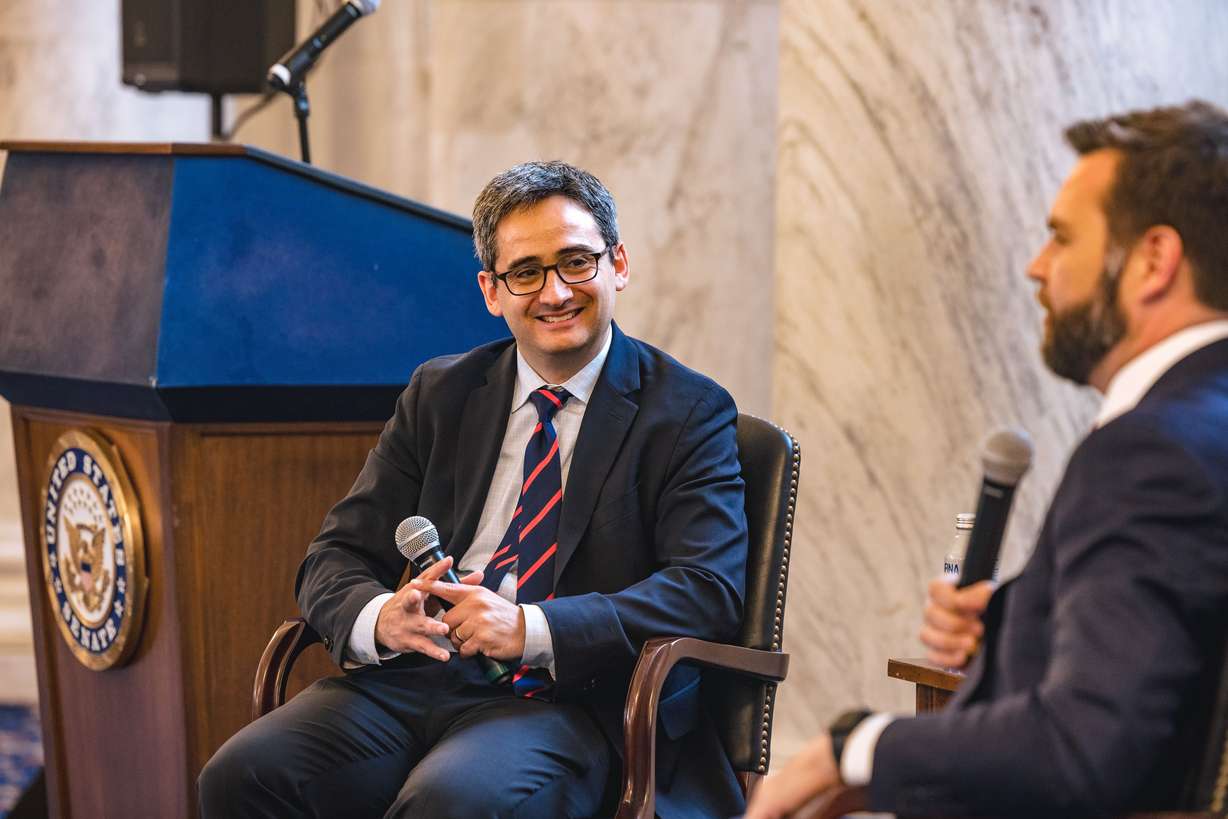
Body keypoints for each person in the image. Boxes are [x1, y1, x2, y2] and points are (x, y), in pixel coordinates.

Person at [199, 161, 749, 818]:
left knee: (449, 802)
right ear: (492, 290)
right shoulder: (442, 393)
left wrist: (531, 627)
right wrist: (381, 618)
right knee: (240, 774)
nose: (555, 292)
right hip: (416, 680)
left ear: (618, 265)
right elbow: (336, 553)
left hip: (565, 699)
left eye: (577, 261)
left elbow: (707, 589)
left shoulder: (686, 410)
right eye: (526, 272)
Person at [746, 99, 1228, 818]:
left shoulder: (1148, 450)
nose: (1038, 268)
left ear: (1153, 260)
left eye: (1062, 238)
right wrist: (1011, 618)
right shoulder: (1203, 420)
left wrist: (853, 745)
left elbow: (1084, 747)